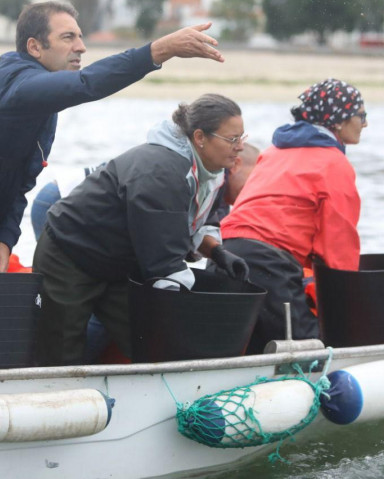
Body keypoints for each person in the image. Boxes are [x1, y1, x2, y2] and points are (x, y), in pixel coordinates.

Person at [0, 1, 225, 277]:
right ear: (34, 47)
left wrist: (5, 238)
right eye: (68, 37)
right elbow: (86, 85)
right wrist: (160, 50)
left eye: (79, 36)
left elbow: (20, 181)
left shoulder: (44, 106)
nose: (81, 46)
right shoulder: (14, 81)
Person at [34, 94, 250, 366]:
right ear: (200, 137)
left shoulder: (213, 171)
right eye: (232, 139)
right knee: (62, 349)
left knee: (149, 338)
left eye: (242, 137)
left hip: (118, 260)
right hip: (70, 254)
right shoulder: (162, 171)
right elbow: (164, 263)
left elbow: (199, 221)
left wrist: (218, 252)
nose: (240, 147)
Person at [219, 78, 367, 353]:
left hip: (223, 254)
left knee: (242, 348)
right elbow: (337, 249)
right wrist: (349, 312)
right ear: (338, 120)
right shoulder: (334, 163)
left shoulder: (273, 152)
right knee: (311, 349)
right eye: (361, 115)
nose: (365, 124)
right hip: (268, 265)